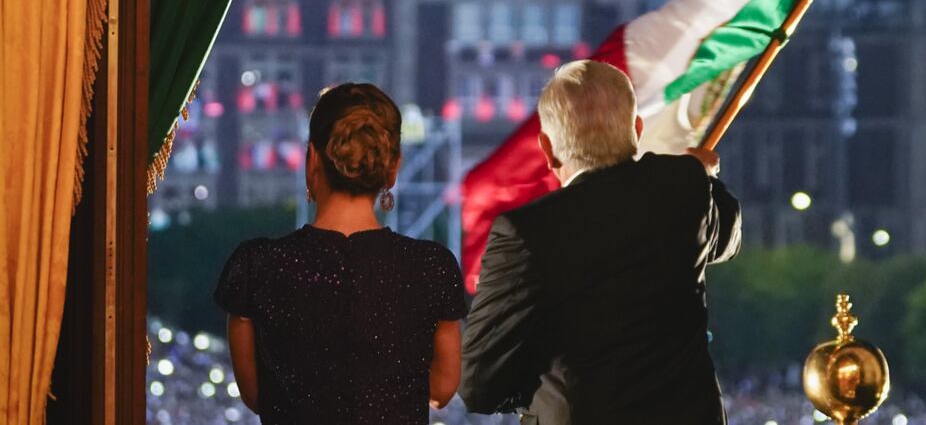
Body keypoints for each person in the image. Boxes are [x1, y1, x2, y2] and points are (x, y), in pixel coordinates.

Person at [459, 61, 742, 424]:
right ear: (637, 130)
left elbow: (480, 384)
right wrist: (704, 176)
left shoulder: (525, 231)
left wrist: (542, 386)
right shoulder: (682, 188)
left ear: (547, 148)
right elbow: (727, 238)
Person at [214, 83, 466, 423]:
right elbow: (441, 388)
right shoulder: (432, 268)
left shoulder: (256, 267)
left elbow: (257, 396)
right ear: (393, 169)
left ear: (312, 160)